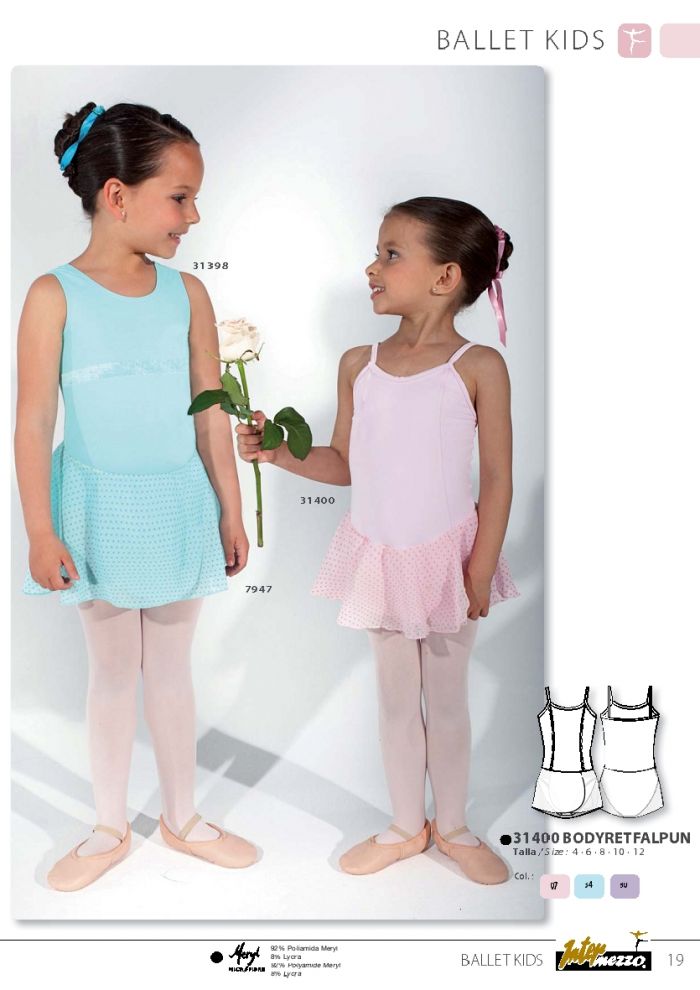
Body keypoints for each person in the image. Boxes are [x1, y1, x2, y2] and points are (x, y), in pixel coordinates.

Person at [236, 197, 519, 884]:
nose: (372, 267)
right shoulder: (358, 364)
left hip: (448, 559)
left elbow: (498, 479)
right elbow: (344, 464)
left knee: (446, 700)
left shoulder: (478, 366)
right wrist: (277, 453)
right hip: (380, 557)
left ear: (445, 276)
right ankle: (405, 825)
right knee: (395, 701)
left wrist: (479, 569)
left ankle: (453, 826)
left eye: (391, 254)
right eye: (377, 252)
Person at [15, 101, 257, 891]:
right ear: (117, 196)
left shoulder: (187, 295)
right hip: (97, 509)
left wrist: (231, 508)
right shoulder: (53, 295)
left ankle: (182, 818)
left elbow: (210, 411)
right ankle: (109, 825)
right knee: (113, 672)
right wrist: (40, 531)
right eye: (181, 197)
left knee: (173, 670)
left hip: (179, 505)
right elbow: (33, 422)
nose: (194, 216)